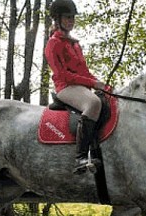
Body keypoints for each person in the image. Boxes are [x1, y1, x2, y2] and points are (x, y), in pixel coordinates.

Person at [44, 0, 107, 174]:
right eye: (67, 17)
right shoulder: (53, 43)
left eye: (72, 17)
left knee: (108, 99)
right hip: (65, 87)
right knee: (93, 103)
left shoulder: (75, 43)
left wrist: (102, 84)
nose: (71, 21)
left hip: (80, 87)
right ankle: (80, 157)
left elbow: (84, 72)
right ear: (57, 19)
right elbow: (62, 75)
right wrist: (93, 84)